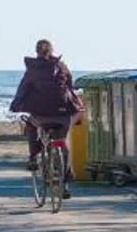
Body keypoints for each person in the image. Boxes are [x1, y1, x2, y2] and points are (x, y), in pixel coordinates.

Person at [9, 39, 82, 168]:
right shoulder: (62, 67)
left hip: (40, 115)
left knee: (30, 124)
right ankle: (67, 171)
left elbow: (23, 89)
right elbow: (70, 86)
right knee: (61, 140)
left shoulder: (33, 69)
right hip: (63, 115)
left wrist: (16, 105)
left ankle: (33, 157)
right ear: (52, 50)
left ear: (36, 52)